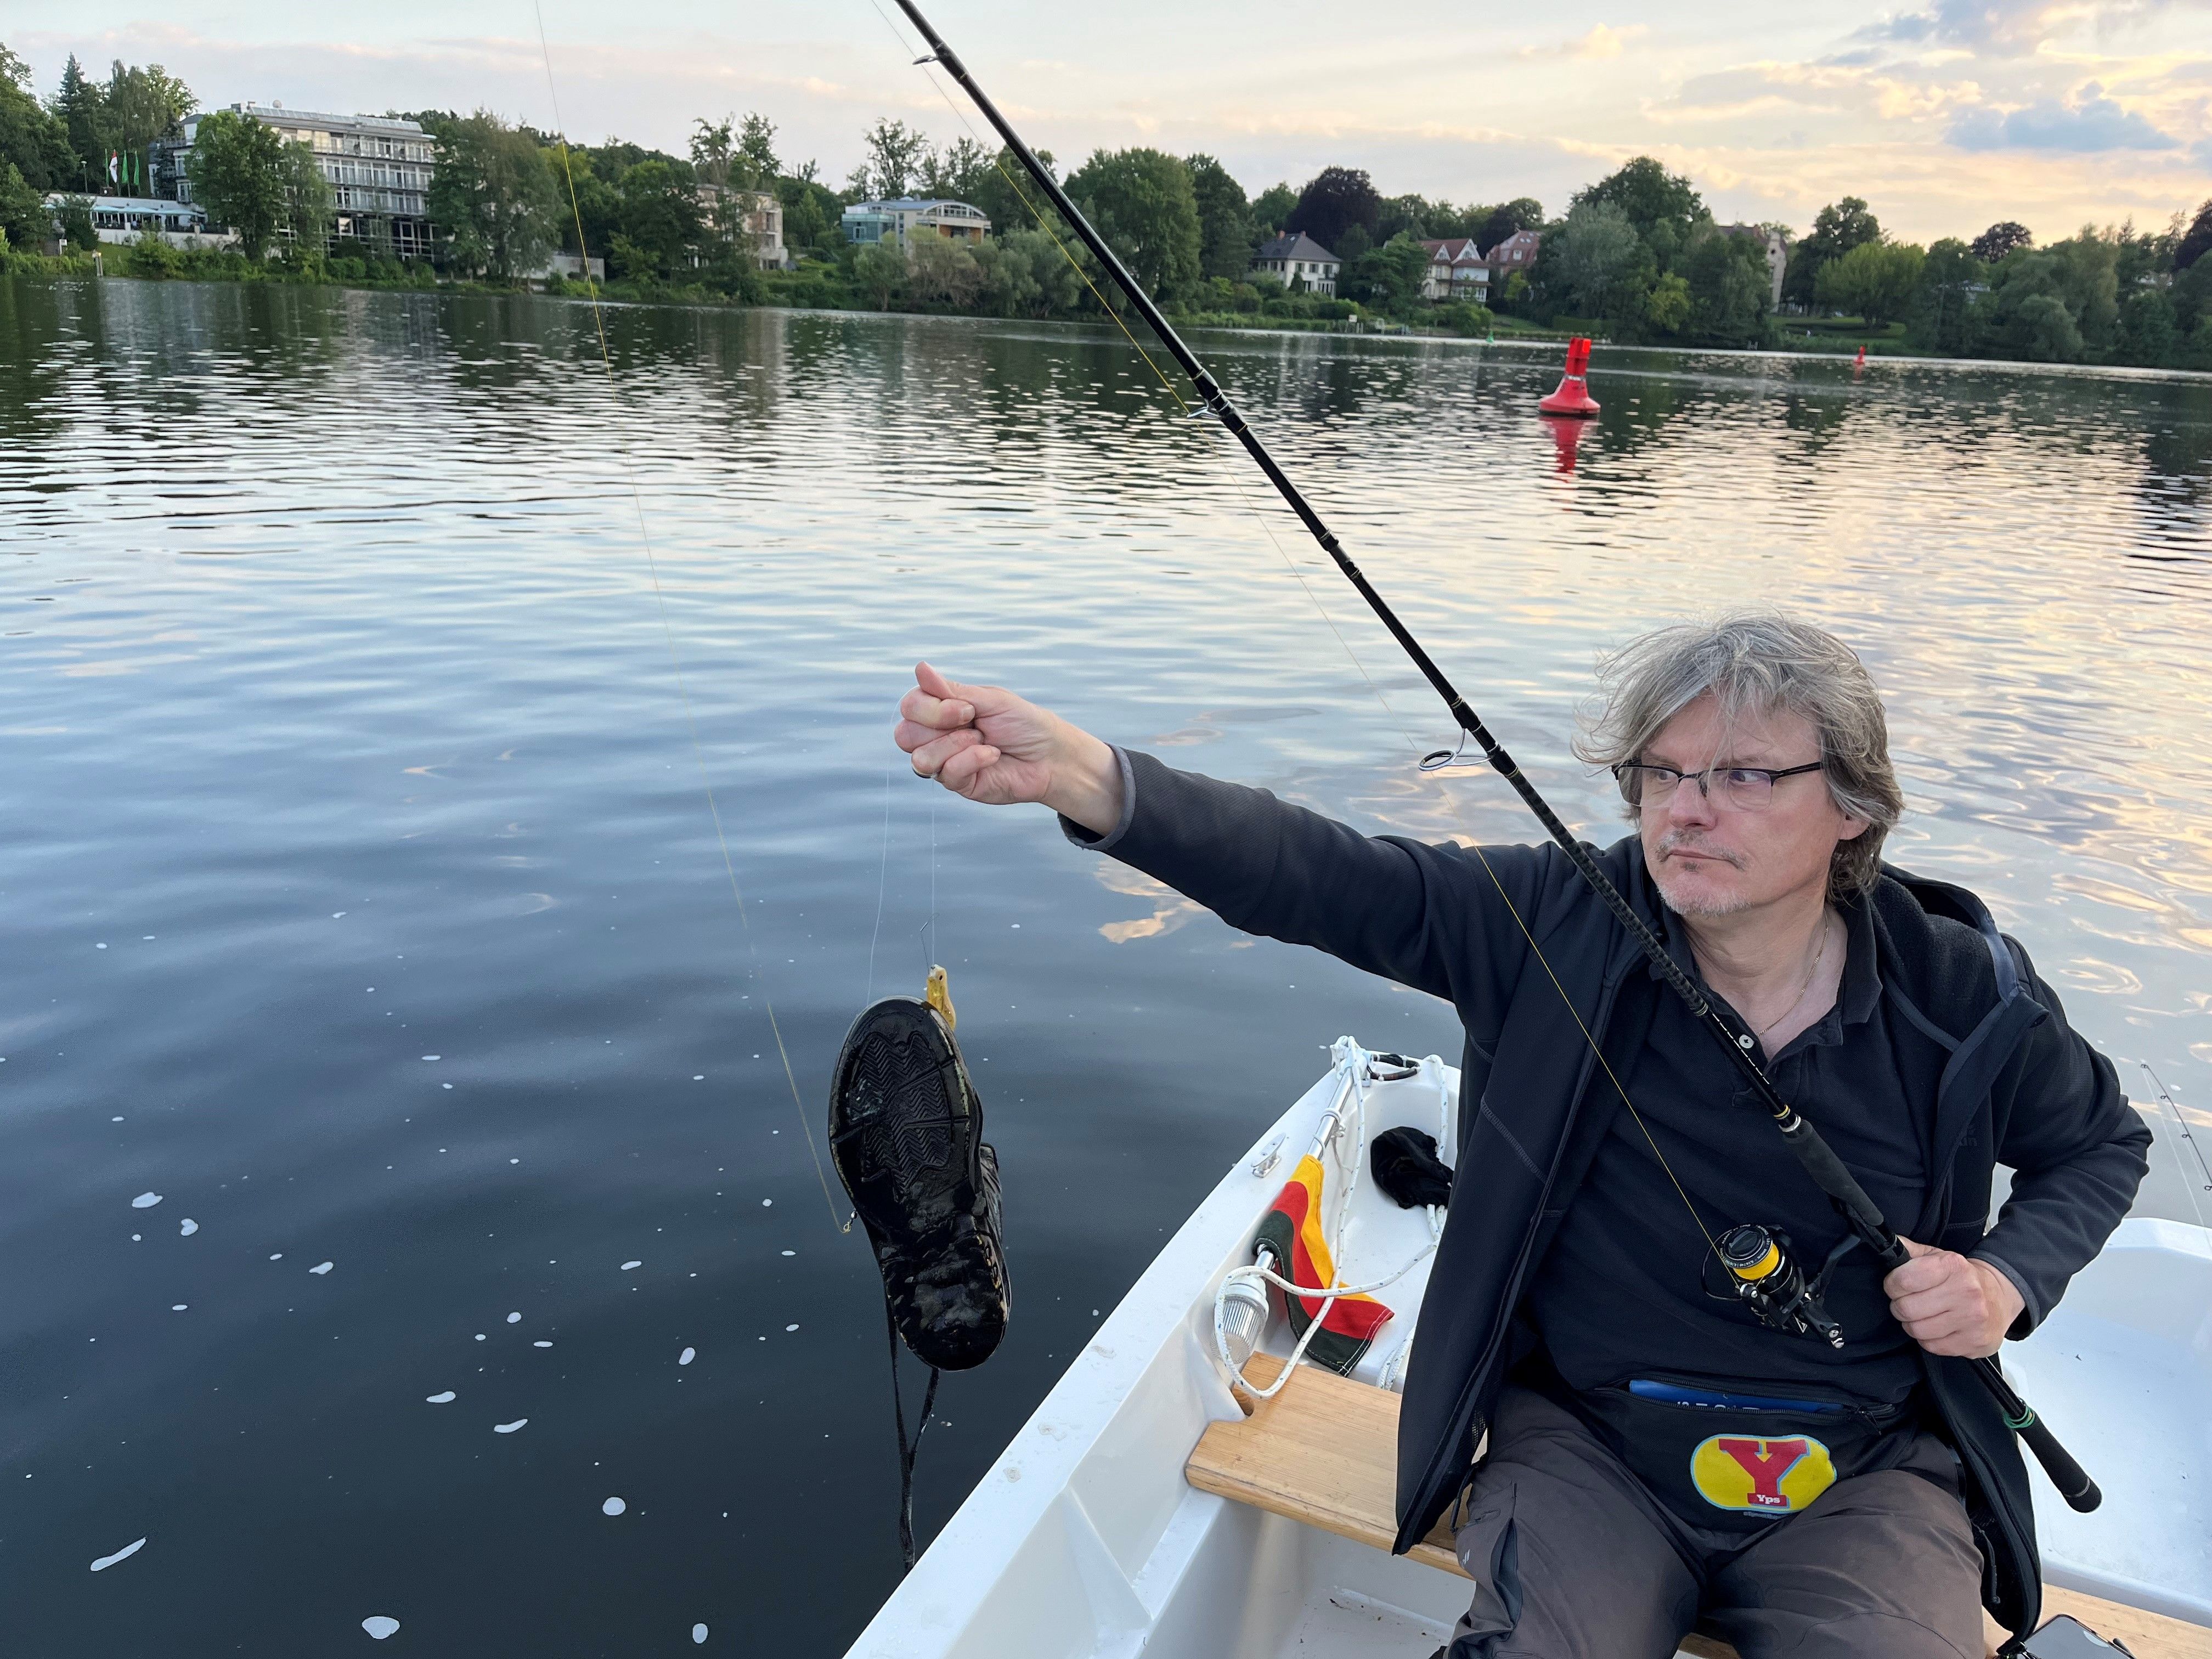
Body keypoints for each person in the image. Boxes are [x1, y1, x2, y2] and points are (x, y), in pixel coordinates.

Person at [892, 614, 2149, 1659]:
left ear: (1855, 811)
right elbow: (1324, 874)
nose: (1687, 812)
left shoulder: (1962, 994)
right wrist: (1090, 777)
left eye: (1743, 776)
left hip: (1869, 1463)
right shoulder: (1554, 919)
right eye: (1662, 774)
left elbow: (2098, 1147)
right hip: (1590, 1444)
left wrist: (2003, 1280)